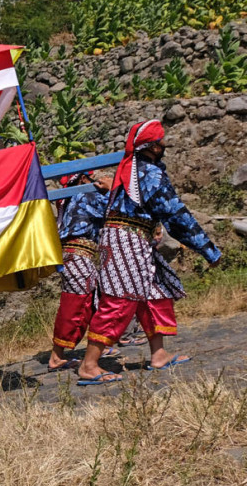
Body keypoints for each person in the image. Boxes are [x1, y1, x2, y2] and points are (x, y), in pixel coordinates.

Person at [80, 120, 221, 385]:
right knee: (121, 298)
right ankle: (89, 365)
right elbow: (176, 216)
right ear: (154, 147)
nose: (165, 144)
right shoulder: (150, 175)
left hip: (133, 237)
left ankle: (159, 354)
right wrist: (208, 250)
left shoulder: (131, 170)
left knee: (155, 291)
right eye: (162, 140)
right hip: (127, 239)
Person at [47, 171, 110, 371]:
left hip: (77, 254)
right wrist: (112, 189)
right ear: (83, 179)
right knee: (76, 303)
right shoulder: (85, 195)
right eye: (93, 178)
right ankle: (56, 356)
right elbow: (114, 208)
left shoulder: (70, 198)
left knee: (90, 299)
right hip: (78, 254)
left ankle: (97, 346)